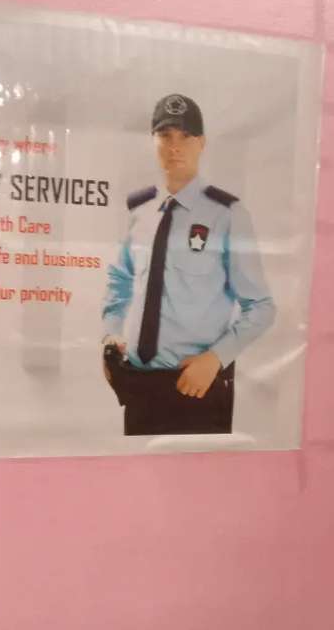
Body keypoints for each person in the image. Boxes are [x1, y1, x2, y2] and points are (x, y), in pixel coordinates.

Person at [101, 93, 276, 436]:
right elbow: (119, 279)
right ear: (153, 141)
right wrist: (110, 334)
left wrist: (216, 359)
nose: (174, 146)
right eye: (165, 135)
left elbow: (261, 306)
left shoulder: (227, 214)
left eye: (186, 136)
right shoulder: (141, 210)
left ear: (202, 143)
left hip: (196, 384)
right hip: (138, 384)